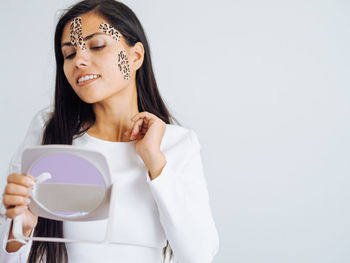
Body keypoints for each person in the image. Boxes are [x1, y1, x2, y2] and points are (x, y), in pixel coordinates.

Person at [0, 0, 219, 262]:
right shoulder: (49, 133)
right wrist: (19, 231)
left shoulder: (176, 144)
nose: (79, 60)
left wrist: (155, 160)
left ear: (135, 56)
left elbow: (199, 256)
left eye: (97, 45)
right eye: (69, 54)